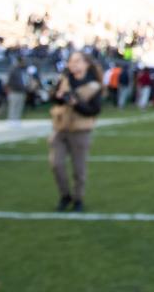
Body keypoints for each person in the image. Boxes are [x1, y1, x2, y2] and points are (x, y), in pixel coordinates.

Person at [49, 50, 102, 212]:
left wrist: (76, 103)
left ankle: (78, 199)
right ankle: (65, 195)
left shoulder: (94, 85)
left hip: (80, 130)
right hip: (60, 129)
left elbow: (94, 110)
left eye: (78, 61)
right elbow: (55, 100)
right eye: (71, 61)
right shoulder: (64, 80)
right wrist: (57, 96)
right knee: (56, 164)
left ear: (86, 64)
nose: (73, 64)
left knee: (79, 170)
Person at [6, 57, 29, 126]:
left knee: (20, 105)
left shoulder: (23, 70)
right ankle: (11, 120)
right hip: (14, 90)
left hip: (22, 90)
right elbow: (9, 80)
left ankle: (17, 119)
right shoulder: (13, 69)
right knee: (13, 105)